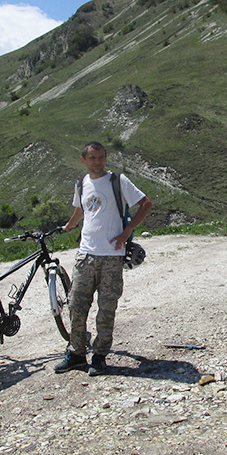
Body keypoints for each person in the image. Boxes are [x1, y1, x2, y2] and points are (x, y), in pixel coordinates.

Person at [57, 142, 152, 376]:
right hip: (85, 254)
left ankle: (99, 356)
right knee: (76, 305)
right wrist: (71, 224)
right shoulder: (82, 183)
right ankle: (76, 353)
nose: (97, 162)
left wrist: (127, 231)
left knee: (106, 308)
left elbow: (146, 204)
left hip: (111, 256)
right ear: (84, 160)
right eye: (92, 158)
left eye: (100, 157)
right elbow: (82, 208)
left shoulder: (118, 181)